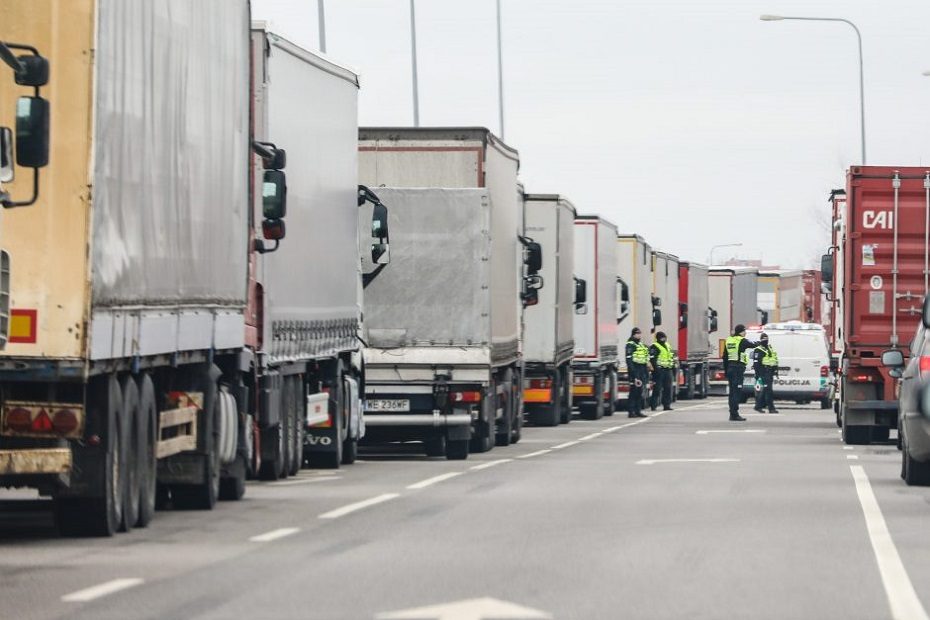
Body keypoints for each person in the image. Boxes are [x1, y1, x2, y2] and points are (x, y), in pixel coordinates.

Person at [722, 324, 763, 421]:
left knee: (732, 392)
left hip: (730, 368)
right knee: (737, 392)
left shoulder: (729, 340)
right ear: (741, 332)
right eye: (744, 331)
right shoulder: (742, 340)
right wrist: (762, 342)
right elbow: (753, 344)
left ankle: (732, 413)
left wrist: (726, 371)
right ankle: (734, 414)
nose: (745, 333)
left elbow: (725, 357)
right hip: (738, 369)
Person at [625, 328, 651, 418]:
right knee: (633, 392)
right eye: (637, 333)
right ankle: (631, 411)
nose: (639, 335)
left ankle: (638, 410)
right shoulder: (630, 345)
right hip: (634, 370)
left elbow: (645, 358)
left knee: (639, 392)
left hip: (641, 370)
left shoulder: (641, 345)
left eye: (640, 333)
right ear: (633, 334)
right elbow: (629, 360)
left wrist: (646, 372)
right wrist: (634, 374)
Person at [752, 333, 779, 414]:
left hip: (770, 372)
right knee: (768, 391)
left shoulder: (769, 348)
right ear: (761, 340)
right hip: (763, 371)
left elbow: (773, 358)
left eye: (766, 339)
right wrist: (758, 374)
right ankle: (771, 408)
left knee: (766, 390)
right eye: (764, 339)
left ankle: (758, 406)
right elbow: (756, 363)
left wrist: (775, 369)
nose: (765, 341)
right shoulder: (758, 349)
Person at [649, 331, 675, 411]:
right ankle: (653, 405)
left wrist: (673, 367)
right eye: (662, 337)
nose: (664, 339)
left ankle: (666, 405)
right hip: (659, 370)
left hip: (668, 370)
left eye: (664, 337)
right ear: (658, 338)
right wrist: (656, 370)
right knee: (657, 389)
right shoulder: (654, 346)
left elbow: (671, 357)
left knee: (668, 389)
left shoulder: (667, 345)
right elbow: (653, 359)